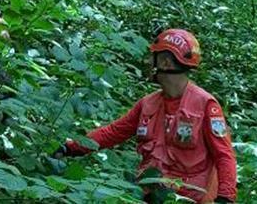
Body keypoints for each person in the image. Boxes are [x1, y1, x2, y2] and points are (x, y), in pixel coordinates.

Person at [54, 29, 237, 203]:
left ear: (165, 62)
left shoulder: (205, 104)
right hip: (150, 194)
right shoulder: (147, 103)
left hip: (189, 199)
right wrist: (70, 148)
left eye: (154, 57)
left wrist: (225, 198)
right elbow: (113, 132)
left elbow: (224, 155)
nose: (150, 62)